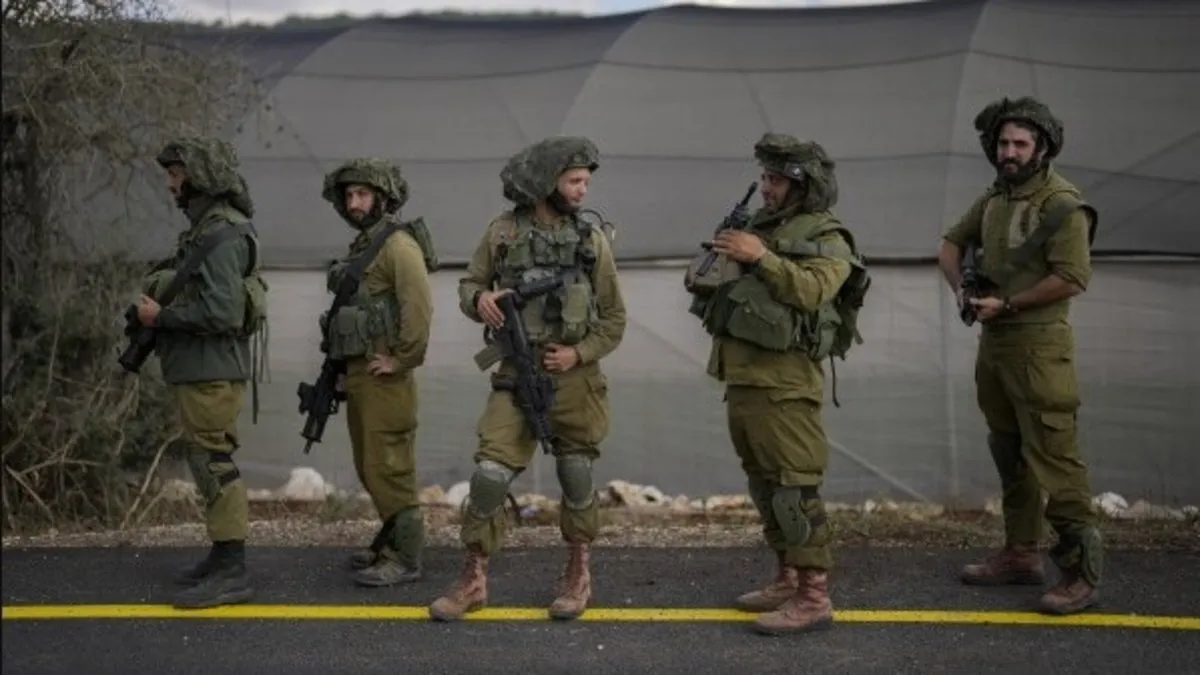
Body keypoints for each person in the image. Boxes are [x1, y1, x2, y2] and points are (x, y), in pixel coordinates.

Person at [428, 136, 626, 623]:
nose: (582, 190)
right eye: (574, 181)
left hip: (574, 379)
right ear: (546, 182)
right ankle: (474, 578)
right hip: (515, 372)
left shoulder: (591, 241)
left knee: (576, 474)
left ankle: (578, 574)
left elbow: (614, 319)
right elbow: (470, 285)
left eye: (585, 182)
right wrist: (480, 301)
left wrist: (578, 353)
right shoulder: (502, 233)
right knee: (489, 474)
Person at [684, 133, 870, 637]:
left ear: (803, 185)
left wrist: (760, 256)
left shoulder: (827, 235)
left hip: (786, 384)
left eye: (777, 180)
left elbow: (812, 290)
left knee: (794, 487)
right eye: (764, 177)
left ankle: (814, 596)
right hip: (744, 376)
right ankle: (788, 577)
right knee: (764, 484)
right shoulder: (757, 225)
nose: (766, 187)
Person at [937, 96, 1102, 616]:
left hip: (1039, 349)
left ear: (1042, 148)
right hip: (996, 347)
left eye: (1020, 144)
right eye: (1003, 143)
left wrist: (1008, 303)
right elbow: (950, 245)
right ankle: (1022, 553)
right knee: (1009, 452)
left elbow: (1072, 277)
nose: (1009, 152)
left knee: (1054, 457)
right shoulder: (995, 197)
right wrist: (962, 292)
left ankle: (1081, 574)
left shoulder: (1063, 205)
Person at [140, 137, 270, 609]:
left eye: (176, 174)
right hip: (201, 369)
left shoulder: (222, 233)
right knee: (207, 460)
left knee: (215, 463)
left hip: (211, 373)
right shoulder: (209, 229)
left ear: (200, 176)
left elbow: (222, 311)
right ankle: (221, 557)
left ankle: (232, 569)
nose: (170, 183)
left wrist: (162, 317)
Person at [318, 158, 438, 587]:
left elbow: (418, 310)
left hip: (386, 377)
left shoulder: (398, 246)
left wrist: (401, 360)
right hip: (362, 373)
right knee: (369, 463)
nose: (354, 203)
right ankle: (390, 539)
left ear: (383, 198)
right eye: (349, 195)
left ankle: (406, 556)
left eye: (363, 194)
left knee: (389, 465)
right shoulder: (365, 245)